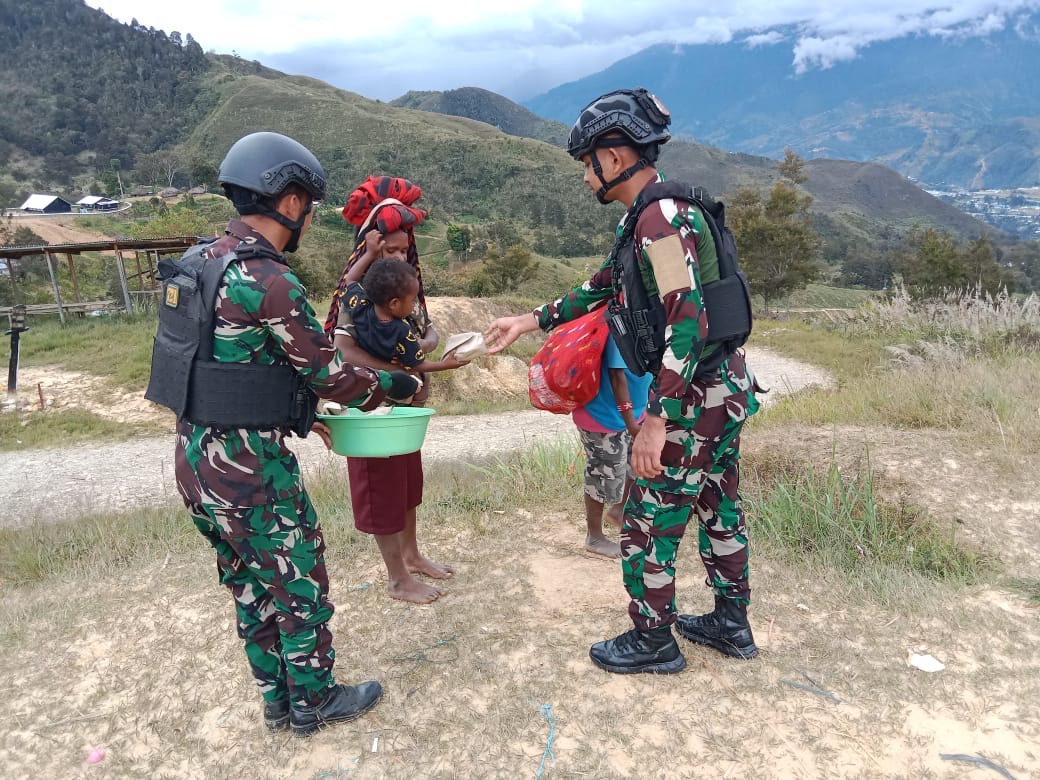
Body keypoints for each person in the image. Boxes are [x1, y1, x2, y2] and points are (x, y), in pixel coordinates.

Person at [486, 88, 762, 674]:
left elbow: (686, 319)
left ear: (612, 157)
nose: (586, 176)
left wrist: (655, 419)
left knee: (647, 520)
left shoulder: (659, 222)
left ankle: (654, 640)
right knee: (717, 506)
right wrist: (528, 320)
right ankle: (731, 623)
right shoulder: (649, 218)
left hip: (692, 396)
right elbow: (602, 285)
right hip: (722, 387)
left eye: (588, 163)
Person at [156, 132, 421, 735]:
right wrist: (392, 390)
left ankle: (278, 699)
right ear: (293, 202)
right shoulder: (268, 279)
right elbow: (328, 372)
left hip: (195, 458)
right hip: (251, 467)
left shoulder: (201, 263)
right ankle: (315, 700)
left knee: (249, 584)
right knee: (296, 577)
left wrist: (301, 412)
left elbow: (231, 366)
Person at [325, 175, 458, 605]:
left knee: (406, 484)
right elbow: (343, 350)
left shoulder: (403, 288)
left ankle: (412, 556)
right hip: (371, 409)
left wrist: (427, 346)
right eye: (389, 247)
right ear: (370, 246)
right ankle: (398, 578)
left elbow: (421, 336)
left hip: (403, 408)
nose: (399, 254)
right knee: (381, 491)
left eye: (404, 248)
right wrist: (399, 373)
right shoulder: (359, 296)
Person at [574, 329, 652, 559]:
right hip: (603, 416)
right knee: (602, 473)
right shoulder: (621, 328)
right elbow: (618, 378)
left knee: (634, 463)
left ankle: (618, 512)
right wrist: (632, 427)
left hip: (635, 413)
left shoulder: (652, 323)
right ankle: (594, 537)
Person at [339, 256, 469, 375]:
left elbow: (350, 279)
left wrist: (369, 253)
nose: (415, 304)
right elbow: (417, 366)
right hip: (393, 380)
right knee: (418, 385)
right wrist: (445, 365)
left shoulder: (361, 305)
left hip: (366, 375)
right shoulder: (401, 331)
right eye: (413, 300)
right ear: (394, 303)